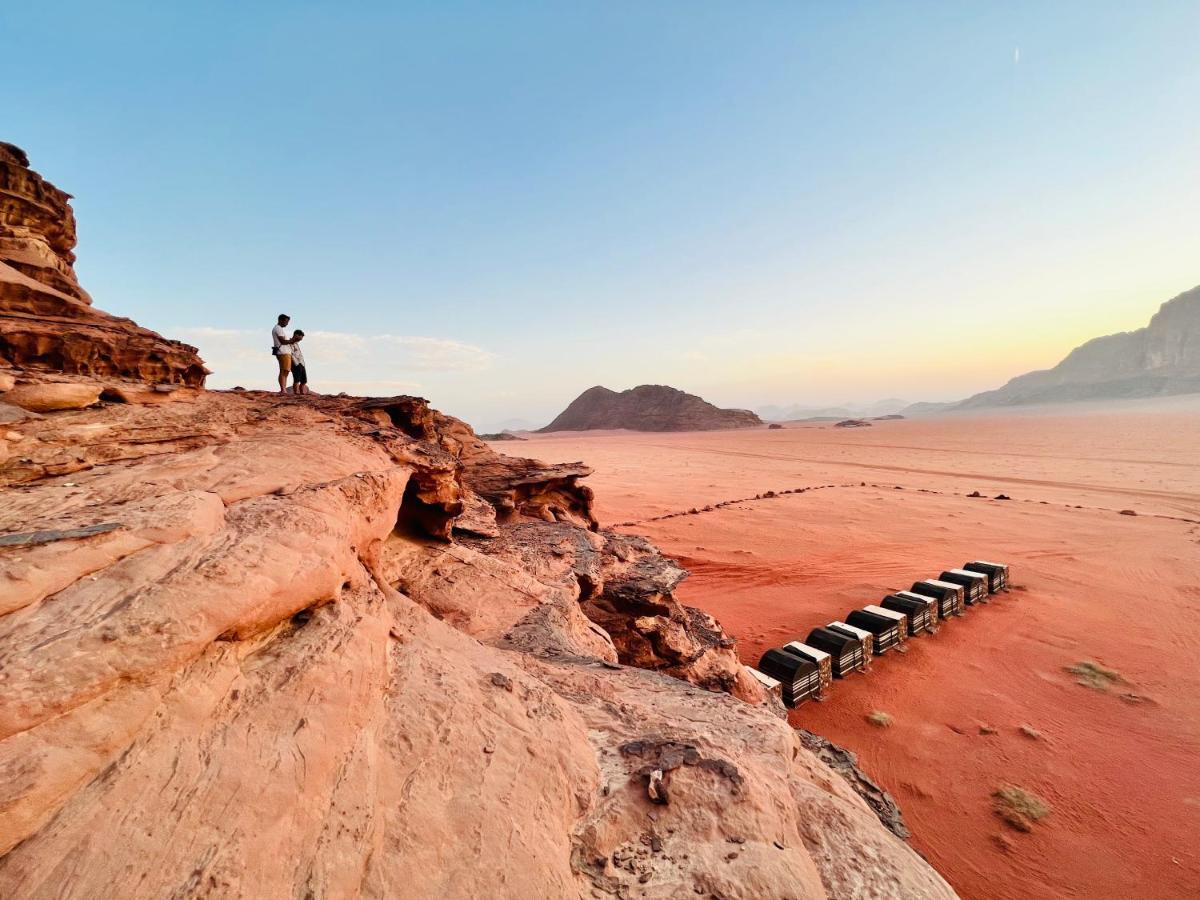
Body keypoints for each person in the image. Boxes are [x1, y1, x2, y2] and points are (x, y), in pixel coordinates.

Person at [271, 314, 294, 394]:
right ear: (281, 320)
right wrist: (293, 340)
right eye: (286, 322)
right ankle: (283, 389)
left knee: (285, 371)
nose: (287, 324)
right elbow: (283, 341)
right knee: (284, 371)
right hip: (283, 352)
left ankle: (283, 389)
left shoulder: (278, 328)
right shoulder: (278, 328)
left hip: (284, 352)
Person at [290, 330, 310, 395]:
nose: (301, 340)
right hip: (295, 363)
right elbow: (291, 354)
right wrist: (296, 363)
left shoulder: (296, 343)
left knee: (304, 380)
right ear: (296, 335)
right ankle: (296, 392)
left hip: (301, 363)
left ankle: (302, 392)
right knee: (296, 379)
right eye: (300, 338)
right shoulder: (289, 343)